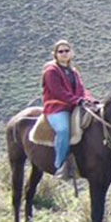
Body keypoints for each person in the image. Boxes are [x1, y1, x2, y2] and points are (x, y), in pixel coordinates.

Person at [41, 39, 95, 175]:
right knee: (63, 130)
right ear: (55, 54)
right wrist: (77, 100)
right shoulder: (51, 71)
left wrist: (89, 99)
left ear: (71, 53)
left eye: (66, 51)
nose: (64, 54)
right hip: (56, 107)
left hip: (74, 105)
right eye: (60, 51)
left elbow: (81, 89)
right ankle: (59, 165)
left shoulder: (73, 71)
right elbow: (58, 92)